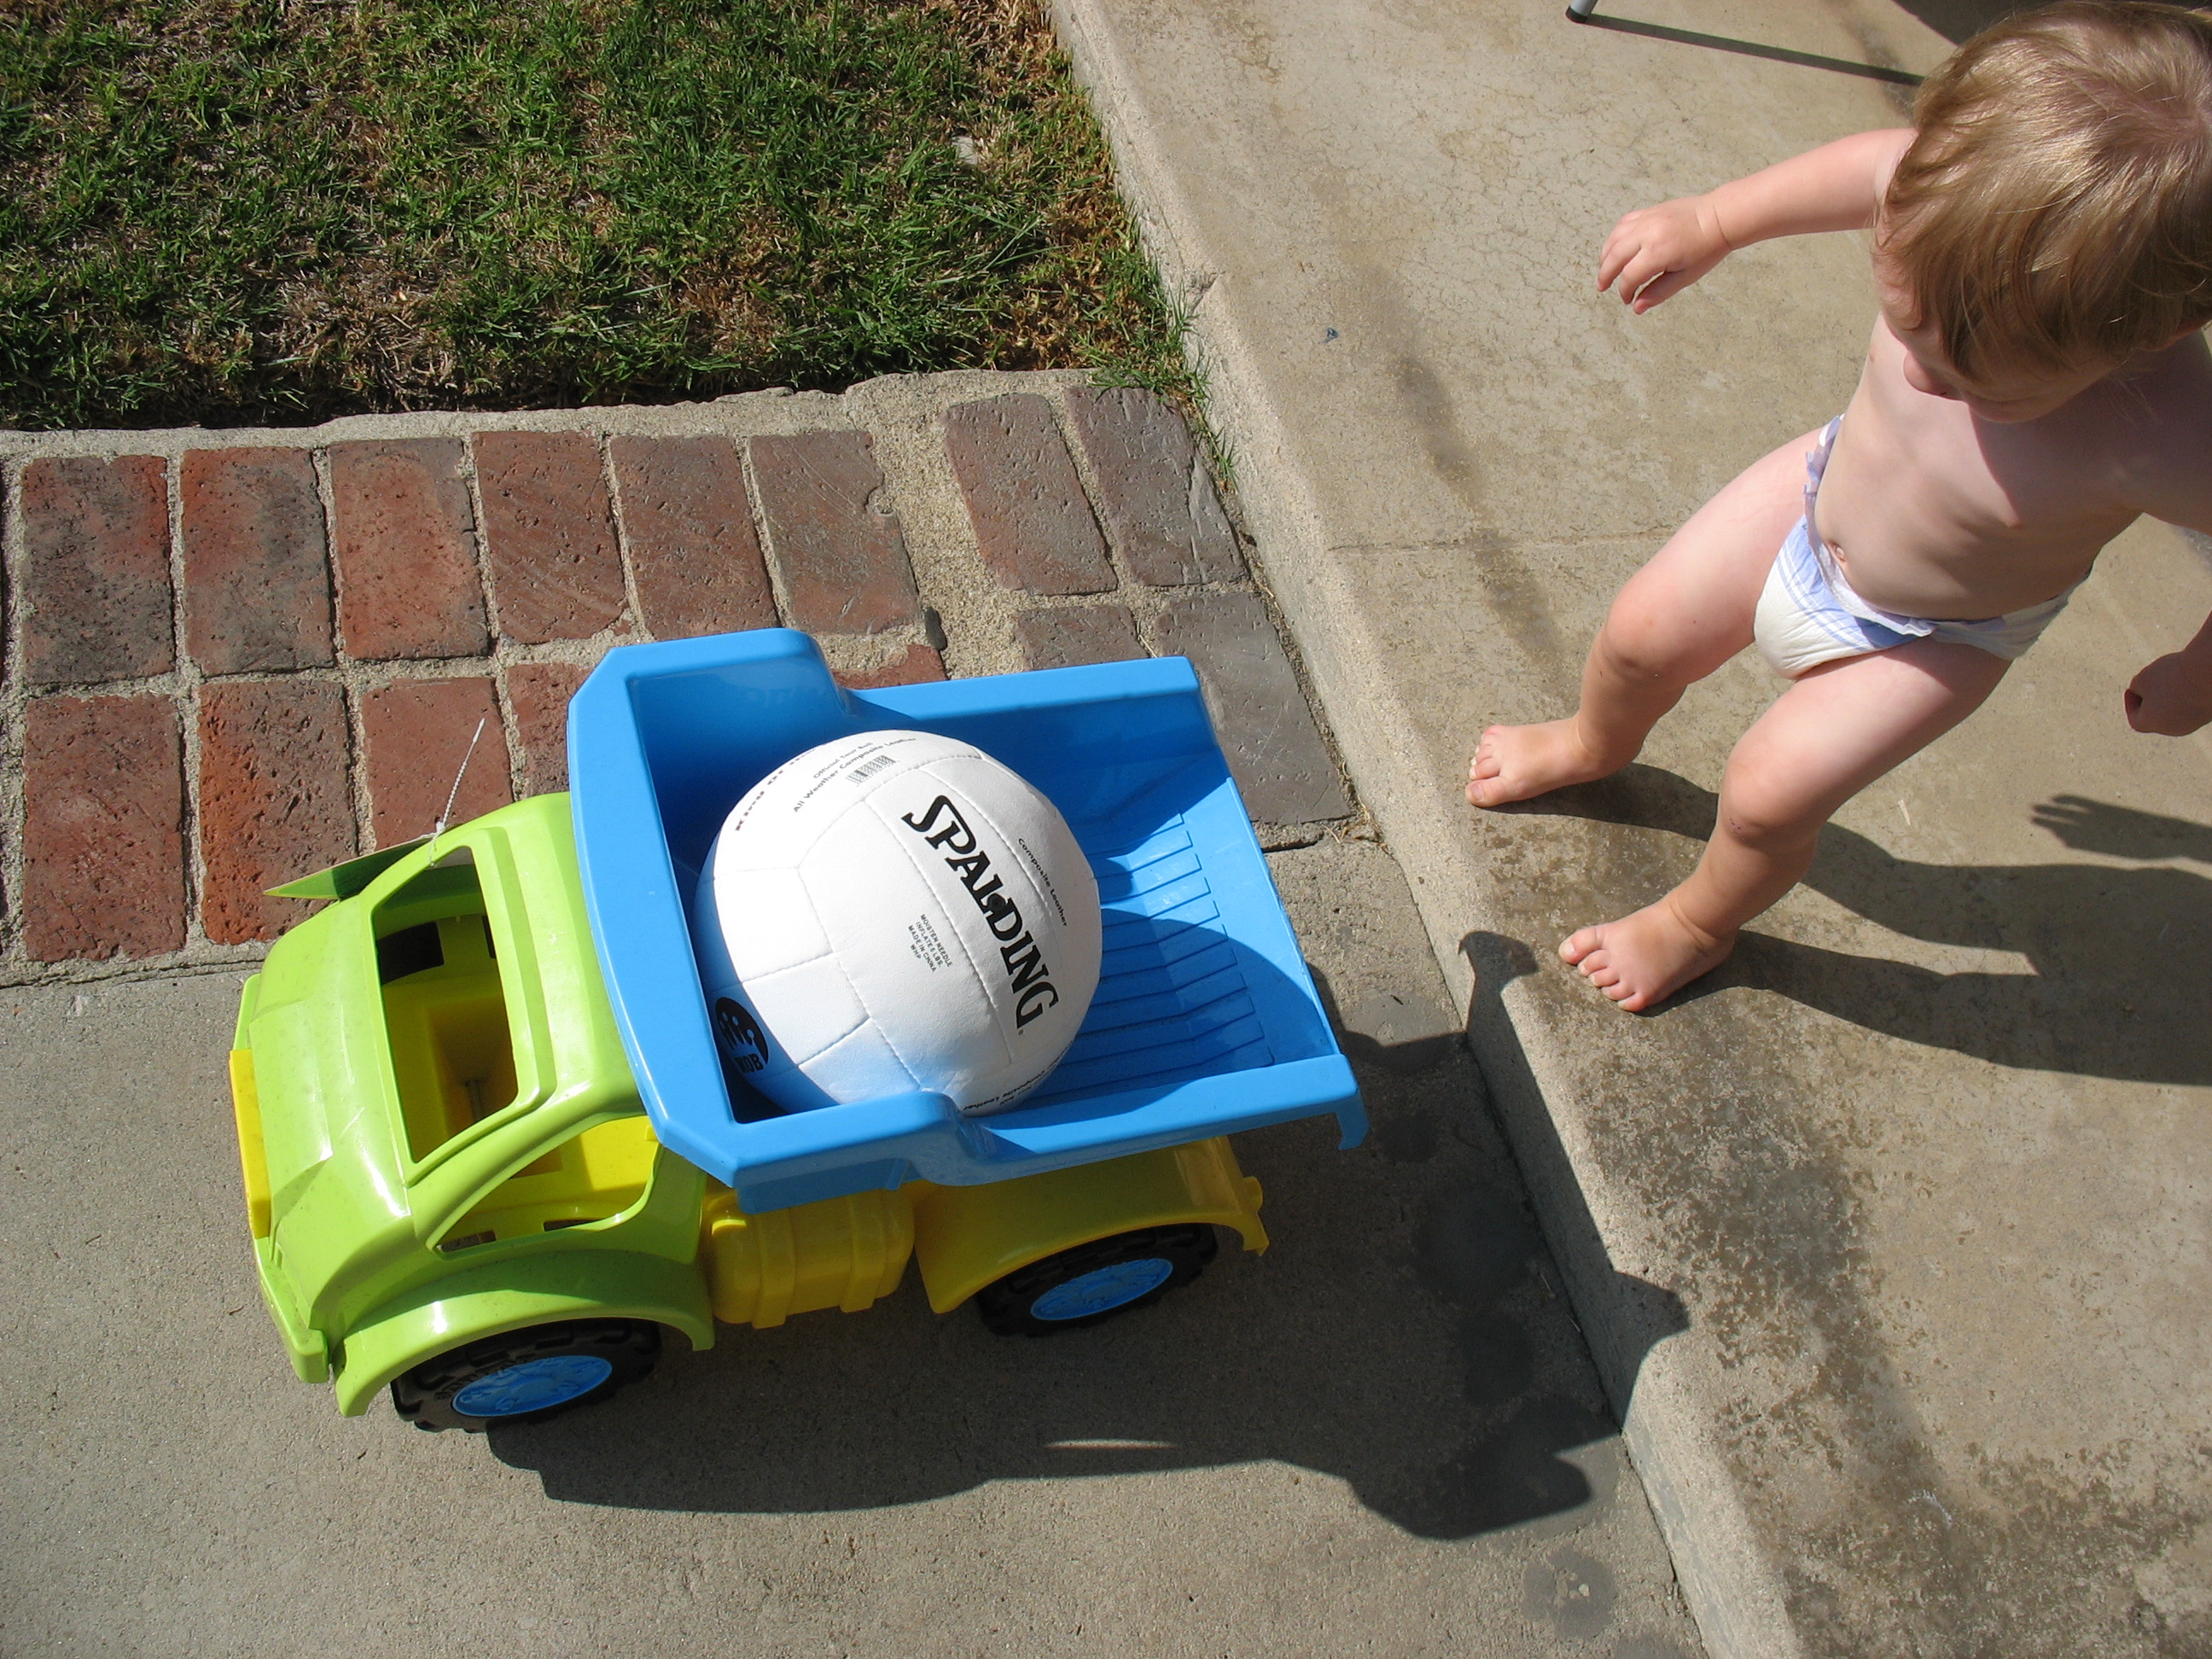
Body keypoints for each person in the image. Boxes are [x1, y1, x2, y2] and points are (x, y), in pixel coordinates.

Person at [1466, 0, 2212, 1011]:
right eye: (1907, 327)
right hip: (1816, 495)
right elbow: (1868, 168)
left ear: (2150, 334)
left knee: (1769, 796)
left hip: (1940, 634)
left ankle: (1697, 926)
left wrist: (2197, 675)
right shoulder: (1949, 190)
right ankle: (1595, 741)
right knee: (1640, 632)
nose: (1924, 376)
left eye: (1979, 383)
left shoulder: (2165, 435)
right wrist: (1715, 220)